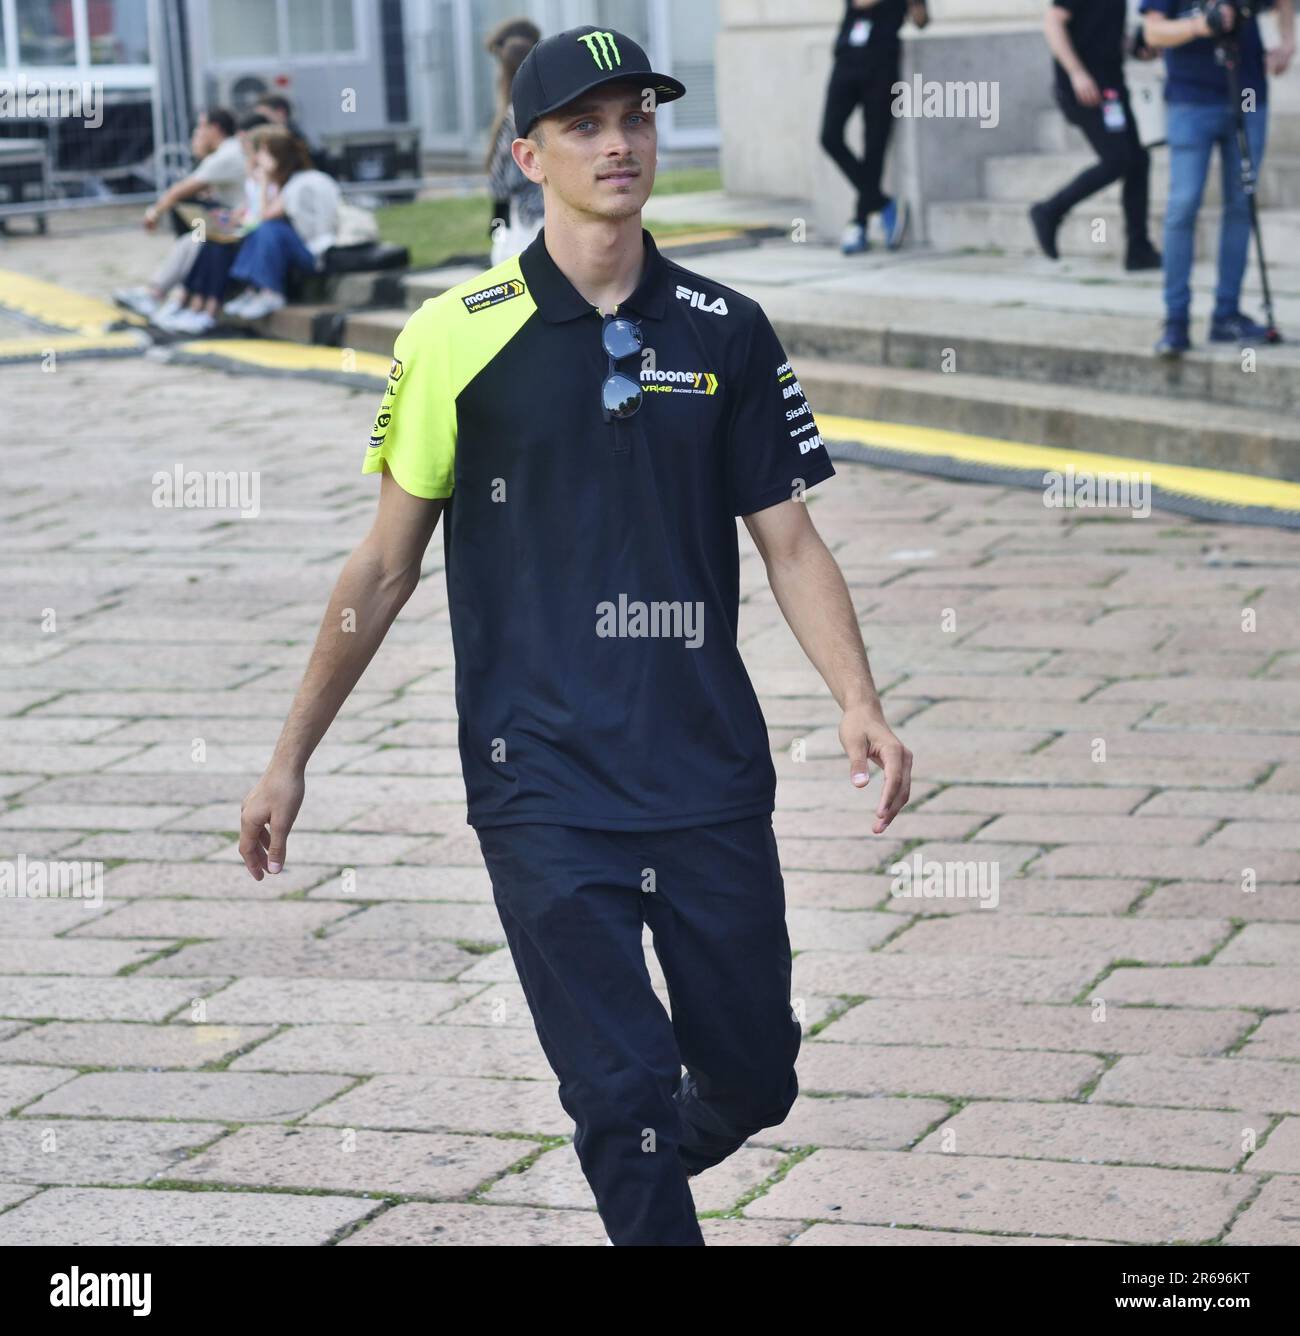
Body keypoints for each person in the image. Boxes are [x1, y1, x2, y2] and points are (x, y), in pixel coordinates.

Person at [238, 23, 913, 1247]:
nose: (620, 144)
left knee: (755, 1080)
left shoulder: (726, 327)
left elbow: (792, 542)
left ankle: (640, 1154)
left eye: (637, 119)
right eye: (586, 126)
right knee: (620, 1093)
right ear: (527, 154)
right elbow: (384, 565)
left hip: (704, 770)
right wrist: (292, 754)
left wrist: (857, 698)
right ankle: (633, 1164)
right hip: (538, 779)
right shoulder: (457, 333)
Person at [1141, 0, 1295, 357]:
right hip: (1189, 99)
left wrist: (1288, 40)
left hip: (1248, 92)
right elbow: (1153, 30)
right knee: (1183, 206)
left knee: (1241, 205)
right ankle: (1176, 319)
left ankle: (1227, 313)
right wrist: (1199, 26)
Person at [1028, 1, 1162, 270]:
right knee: (1117, 160)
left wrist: (1136, 49)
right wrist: (1077, 73)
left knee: (1138, 161)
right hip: (1085, 90)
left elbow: (1102, 32)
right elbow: (1053, 23)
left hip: (1112, 88)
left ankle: (1139, 249)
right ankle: (1050, 211)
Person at [113, 108, 245, 319]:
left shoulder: (226, 155)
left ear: (216, 128)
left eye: (201, 126)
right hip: (231, 222)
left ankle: (159, 295)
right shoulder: (228, 152)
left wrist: (153, 213)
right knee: (191, 239)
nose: (198, 132)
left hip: (238, 226)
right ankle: (154, 293)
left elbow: (179, 191)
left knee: (196, 240)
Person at [820, 0, 929, 254]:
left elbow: (921, 21)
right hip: (847, 60)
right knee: (830, 137)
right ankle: (883, 204)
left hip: (882, 64)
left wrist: (916, 7)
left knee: (875, 146)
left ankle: (859, 223)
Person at [223, 127, 342, 321]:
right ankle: (255, 290)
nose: (258, 159)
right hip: (307, 249)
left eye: (263, 152)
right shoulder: (293, 182)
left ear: (278, 156)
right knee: (258, 230)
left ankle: (271, 292)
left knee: (268, 228)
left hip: (316, 253)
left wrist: (264, 182)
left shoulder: (301, 183)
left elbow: (264, 216)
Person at [485, 29, 545, 263]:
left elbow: (500, 181)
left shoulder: (513, 115)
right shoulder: (551, 108)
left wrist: (496, 221)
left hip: (527, 220)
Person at [253, 92, 330, 174]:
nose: (261, 122)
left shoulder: (292, 137)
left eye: (264, 116)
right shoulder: (295, 134)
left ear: (280, 112)